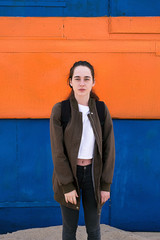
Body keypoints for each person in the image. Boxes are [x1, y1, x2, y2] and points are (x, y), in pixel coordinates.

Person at [50, 60, 115, 240]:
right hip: (69, 176)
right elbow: (58, 152)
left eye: (87, 79)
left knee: (94, 229)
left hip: (93, 176)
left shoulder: (101, 110)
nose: (82, 83)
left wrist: (105, 185)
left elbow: (109, 149)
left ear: (93, 82)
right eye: (77, 78)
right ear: (70, 81)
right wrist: (68, 185)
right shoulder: (61, 110)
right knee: (69, 229)